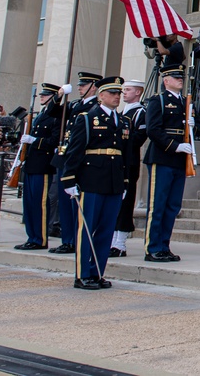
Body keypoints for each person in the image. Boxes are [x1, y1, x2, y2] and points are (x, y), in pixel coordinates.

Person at [60, 76, 129, 290]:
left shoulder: (124, 121)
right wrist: (69, 178)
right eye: (112, 93)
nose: (117, 97)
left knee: (106, 229)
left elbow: (125, 155)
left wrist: (124, 181)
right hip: (91, 179)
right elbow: (75, 149)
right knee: (87, 228)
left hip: (113, 180)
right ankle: (83, 274)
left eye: (119, 93)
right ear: (101, 96)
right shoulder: (88, 118)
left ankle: (98, 272)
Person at [143, 65, 193, 262]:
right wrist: (175, 146)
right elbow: (153, 130)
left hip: (180, 160)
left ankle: (164, 244)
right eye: (175, 77)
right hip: (163, 157)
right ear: (166, 80)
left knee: (172, 205)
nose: (180, 79)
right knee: (158, 204)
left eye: (181, 77)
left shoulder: (185, 103)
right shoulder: (158, 100)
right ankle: (152, 247)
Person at [49, 71, 102, 255]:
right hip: (65, 157)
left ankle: (75, 240)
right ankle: (67, 239)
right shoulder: (74, 105)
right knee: (64, 202)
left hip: (80, 160)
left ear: (93, 86)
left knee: (75, 204)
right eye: (79, 85)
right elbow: (52, 112)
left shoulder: (97, 107)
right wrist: (59, 95)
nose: (79, 87)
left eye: (83, 84)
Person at [14, 83, 61, 250]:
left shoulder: (55, 117)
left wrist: (34, 141)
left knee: (40, 203)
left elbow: (54, 142)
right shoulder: (41, 115)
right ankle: (31, 237)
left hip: (43, 165)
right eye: (41, 94)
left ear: (54, 97)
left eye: (46, 95)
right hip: (32, 164)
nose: (41, 97)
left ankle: (40, 239)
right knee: (29, 203)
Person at [111, 79, 147, 257]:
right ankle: (111, 239)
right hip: (115, 163)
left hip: (129, 163)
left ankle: (120, 243)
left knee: (126, 203)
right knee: (114, 202)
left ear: (138, 92)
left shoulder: (140, 113)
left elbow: (138, 139)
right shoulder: (118, 113)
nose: (124, 93)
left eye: (128, 90)